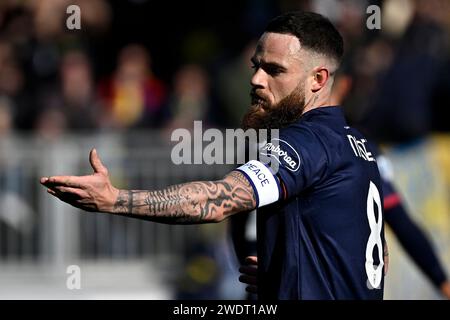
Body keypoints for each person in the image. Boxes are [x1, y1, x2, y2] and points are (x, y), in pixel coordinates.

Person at [40, 11, 386, 299]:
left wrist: (115, 199)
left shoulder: (303, 142)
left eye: (274, 70)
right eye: (256, 65)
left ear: (318, 79)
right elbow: (376, 257)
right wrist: (293, 279)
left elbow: (217, 200)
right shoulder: (360, 146)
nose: (256, 79)